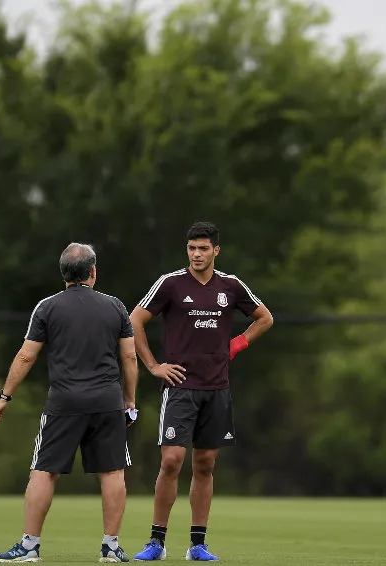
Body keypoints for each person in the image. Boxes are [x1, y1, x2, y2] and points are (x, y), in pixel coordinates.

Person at [130, 221, 274, 562]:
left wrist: (236, 345)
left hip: (216, 388)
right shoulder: (170, 283)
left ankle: (197, 544)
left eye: (203, 249)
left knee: (205, 464)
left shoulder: (231, 285)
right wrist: (153, 365)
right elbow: (134, 320)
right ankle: (156, 541)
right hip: (180, 388)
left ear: (216, 251)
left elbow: (265, 318)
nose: (197, 254)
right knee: (171, 461)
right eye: (192, 248)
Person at [0, 242, 140, 564]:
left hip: (64, 402)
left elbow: (26, 356)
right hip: (107, 401)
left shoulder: (47, 307)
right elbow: (129, 356)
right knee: (112, 471)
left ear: (64, 274)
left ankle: (30, 546)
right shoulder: (116, 307)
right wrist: (129, 399)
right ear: (93, 271)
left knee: (43, 471)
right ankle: (111, 547)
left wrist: (4, 397)